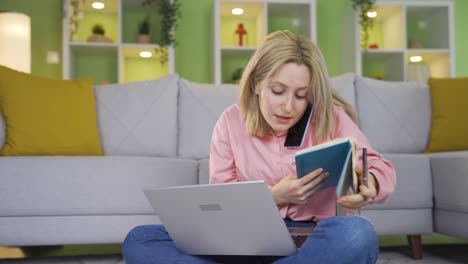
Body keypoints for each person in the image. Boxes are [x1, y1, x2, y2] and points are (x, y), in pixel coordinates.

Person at [122, 30, 396, 264]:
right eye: (278, 91)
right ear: (256, 84)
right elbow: (220, 202)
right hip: (243, 240)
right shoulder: (231, 121)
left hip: (313, 241)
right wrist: (275, 196)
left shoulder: (331, 116)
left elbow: (377, 165)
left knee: (357, 234)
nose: (288, 106)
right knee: (140, 239)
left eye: (301, 95)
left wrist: (368, 180)